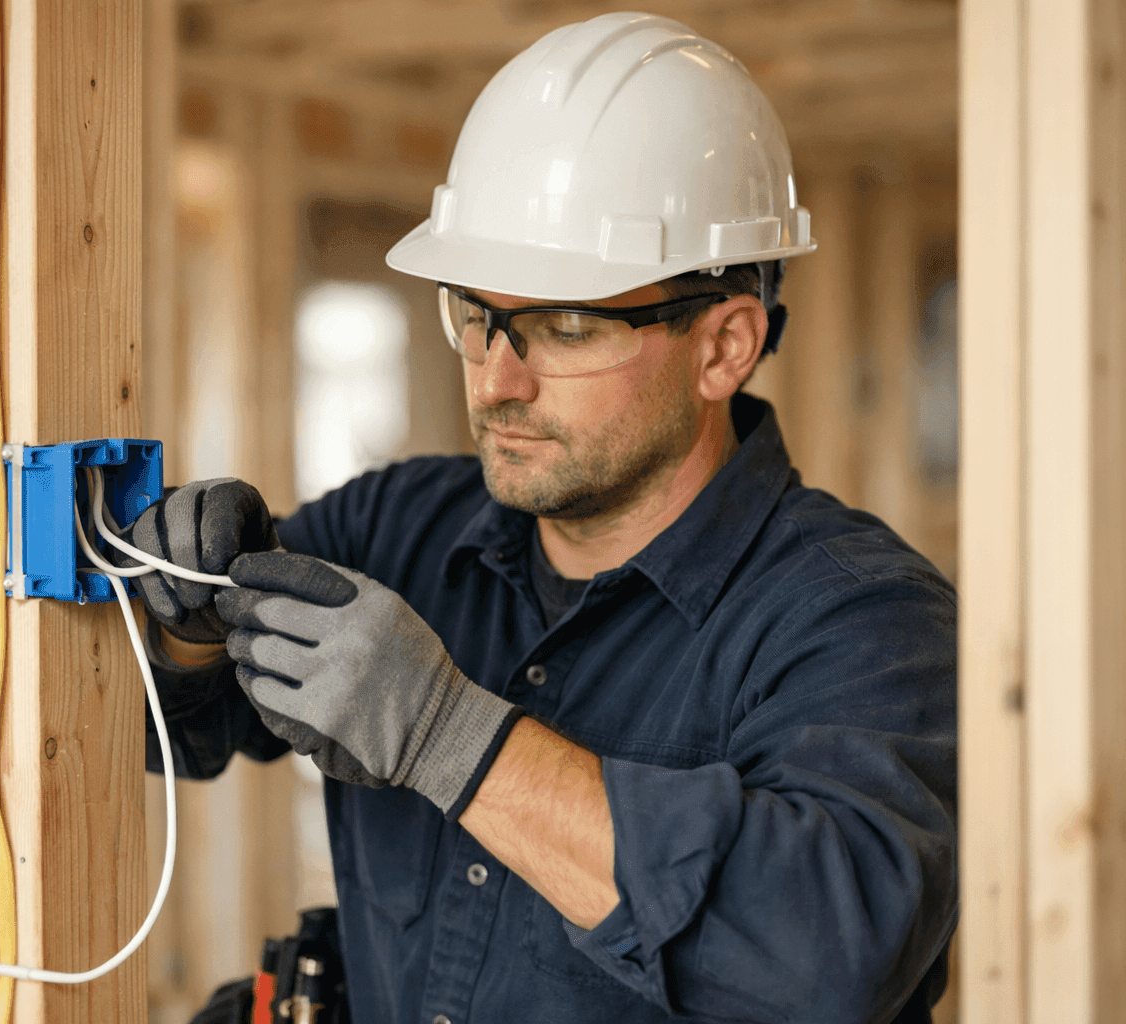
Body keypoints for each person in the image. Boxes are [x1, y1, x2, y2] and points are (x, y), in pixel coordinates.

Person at [133, 12, 957, 1023]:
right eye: (476, 315)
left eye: (564, 327)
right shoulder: (399, 529)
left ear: (723, 347)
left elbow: (826, 962)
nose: (496, 380)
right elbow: (173, 732)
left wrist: (449, 737)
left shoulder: (864, 621)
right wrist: (182, 622)